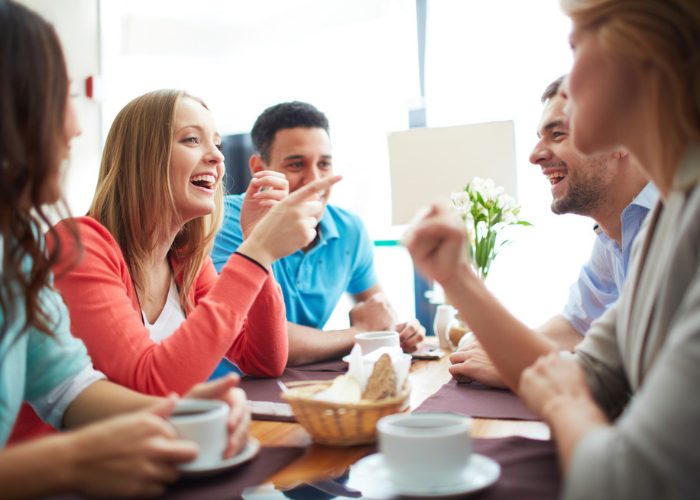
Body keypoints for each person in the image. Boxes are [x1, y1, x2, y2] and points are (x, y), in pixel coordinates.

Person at [405, 0, 700, 498]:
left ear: (643, 59)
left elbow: (627, 483)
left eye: (575, 46)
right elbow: (590, 374)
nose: (567, 84)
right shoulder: (660, 224)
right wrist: (457, 277)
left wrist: (564, 405)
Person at [0, 1, 249, 496]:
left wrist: (187, 415)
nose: (75, 125)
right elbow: (146, 378)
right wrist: (67, 462)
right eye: (61, 96)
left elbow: (67, 385)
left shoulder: (19, 253)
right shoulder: (76, 242)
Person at [11, 91, 339, 441]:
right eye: (192, 140)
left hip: (143, 454)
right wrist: (256, 253)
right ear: (142, 157)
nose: (216, 156)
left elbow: (264, 359)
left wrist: (257, 245)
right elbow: (151, 385)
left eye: (216, 144)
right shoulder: (80, 244)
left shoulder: (185, 259)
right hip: (57, 474)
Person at [449, 76, 657, 387]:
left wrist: (521, 367)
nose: (534, 155)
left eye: (558, 134)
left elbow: (648, 372)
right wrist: (503, 351)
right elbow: (577, 324)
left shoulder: (678, 222)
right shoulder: (612, 232)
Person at [212, 101, 424, 366]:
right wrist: (360, 334)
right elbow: (257, 341)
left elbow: (379, 313)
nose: (314, 179)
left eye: (324, 164)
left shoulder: (349, 229)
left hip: (304, 389)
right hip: (231, 393)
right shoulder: (226, 220)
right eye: (296, 165)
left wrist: (399, 330)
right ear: (258, 168)